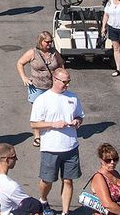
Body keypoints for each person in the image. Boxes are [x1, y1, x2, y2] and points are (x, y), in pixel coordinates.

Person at [29, 68, 84, 215]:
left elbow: (80, 116)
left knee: (68, 181)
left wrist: (77, 121)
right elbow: (34, 124)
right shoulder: (42, 99)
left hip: (71, 147)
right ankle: (43, 199)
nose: (67, 85)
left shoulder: (73, 97)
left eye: (68, 82)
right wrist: (52, 124)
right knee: (47, 180)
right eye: (64, 82)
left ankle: (65, 212)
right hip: (51, 148)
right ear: (55, 79)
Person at [16, 30, 64, 147]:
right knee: (38, 113)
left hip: (51, 87)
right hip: (37, 88)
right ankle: (37, 137)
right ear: (41, 42)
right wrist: (24, 77)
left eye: (51, 42)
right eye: (47, 42)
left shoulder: (54, 52)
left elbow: (61, 64)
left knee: (52, 110)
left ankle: (50, 132)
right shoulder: (33, 53)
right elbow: (20, 63)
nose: (49, 44)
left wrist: (62, 78)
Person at [0, 143, 32, 215]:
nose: (16, 159)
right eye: (14, 156)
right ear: (7, 159)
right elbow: (32, 205)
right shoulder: (11, 186)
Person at [90, 143, 120, 215]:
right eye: (108, 160)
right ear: (101, 160)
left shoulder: (115, 173)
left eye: (115, 159)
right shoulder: (99, 177)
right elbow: (107, 204)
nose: (112, 162)